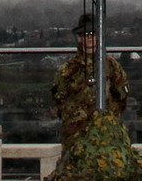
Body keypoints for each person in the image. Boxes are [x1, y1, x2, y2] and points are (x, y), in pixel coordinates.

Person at [52, 12, 129, 145]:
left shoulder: (111, 66)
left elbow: (122, 96)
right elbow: (59, 100)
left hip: (107, 135)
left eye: (93, 34)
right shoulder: (68, 69)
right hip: (77, 136)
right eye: (85, 35)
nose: (89, 39)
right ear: (79, 38)